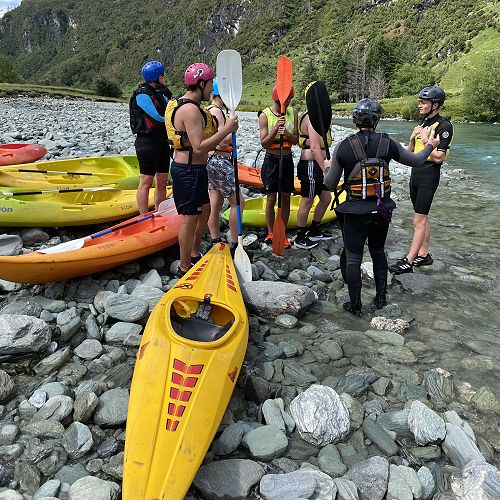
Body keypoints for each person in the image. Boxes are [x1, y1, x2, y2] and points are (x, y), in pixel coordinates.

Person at [323, 98, 440, 316]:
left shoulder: (344, 146)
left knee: (354, 256)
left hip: (355, 211)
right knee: (378, 252)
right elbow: (416, 161)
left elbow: (329, 184)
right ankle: (381, 298)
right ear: (377, 120)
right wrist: (431, 146)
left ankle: (356, 306)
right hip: (382, 209)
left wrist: (326, 168)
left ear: (355, 119)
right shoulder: (389, 143)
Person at [165, 63, 238, 277]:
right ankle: (184, 265)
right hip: (187, 170)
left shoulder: (193, 107)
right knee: (189, 218)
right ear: (202, 83)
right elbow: (198, 146)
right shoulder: (190, 110)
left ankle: (195, 253)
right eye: (209, 86)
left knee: (204, 210)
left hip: (195, 169)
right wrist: (226, 129)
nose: (211, 92)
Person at [389, 86, 453, 274]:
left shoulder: (444, 126)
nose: (419, 105)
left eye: (423, 102)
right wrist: (410, 140)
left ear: (435, 105)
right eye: (420, 101)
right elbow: (409, 155)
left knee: (418, 220)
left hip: (429, 174)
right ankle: (424, 254)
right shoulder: (423, 122)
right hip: (416, 173)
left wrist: (426, 140)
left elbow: (438, 157)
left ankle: (408, 261)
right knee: (421, 216)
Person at [206, 77, 245, 254]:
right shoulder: (217, 112)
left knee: (216, 201)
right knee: (238, 202)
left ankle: (215, 239)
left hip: (211, 161)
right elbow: (222, 142)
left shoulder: (208, 110)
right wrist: (232, 129)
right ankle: (236, 243)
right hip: (219, 161)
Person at [258, 85, 299, 247]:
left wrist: (286, 133)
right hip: (272, 161)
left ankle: (282, 232)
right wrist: (275, 129)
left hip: (287, 160)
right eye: (286, 99)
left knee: (286, 197)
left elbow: (295, 140)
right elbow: (264, 143)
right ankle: (270, 231)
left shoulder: (293, 113)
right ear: (277, 99)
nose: (288, 102)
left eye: (290, 99)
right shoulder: (264, 115)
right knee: (271, 198)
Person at [129, 60, 172, 213]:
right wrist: (171, 118)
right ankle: (142, 215)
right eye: (162, 75)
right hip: (146, 142)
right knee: (146, 181)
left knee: (162, 180)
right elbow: (157, 117)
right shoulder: (142, 95)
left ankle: (160, 212)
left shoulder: (161, 93)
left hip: (161, 141)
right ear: (156, 77)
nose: (164, 77)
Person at [295, 83, 333, 249]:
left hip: (319, 163)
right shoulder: (311, 118)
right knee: (308, 199)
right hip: (311, 163)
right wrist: (325, 166)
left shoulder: (321, 116)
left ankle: (315, 229)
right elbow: (315, 147)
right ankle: (300, 236)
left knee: (326, 198)